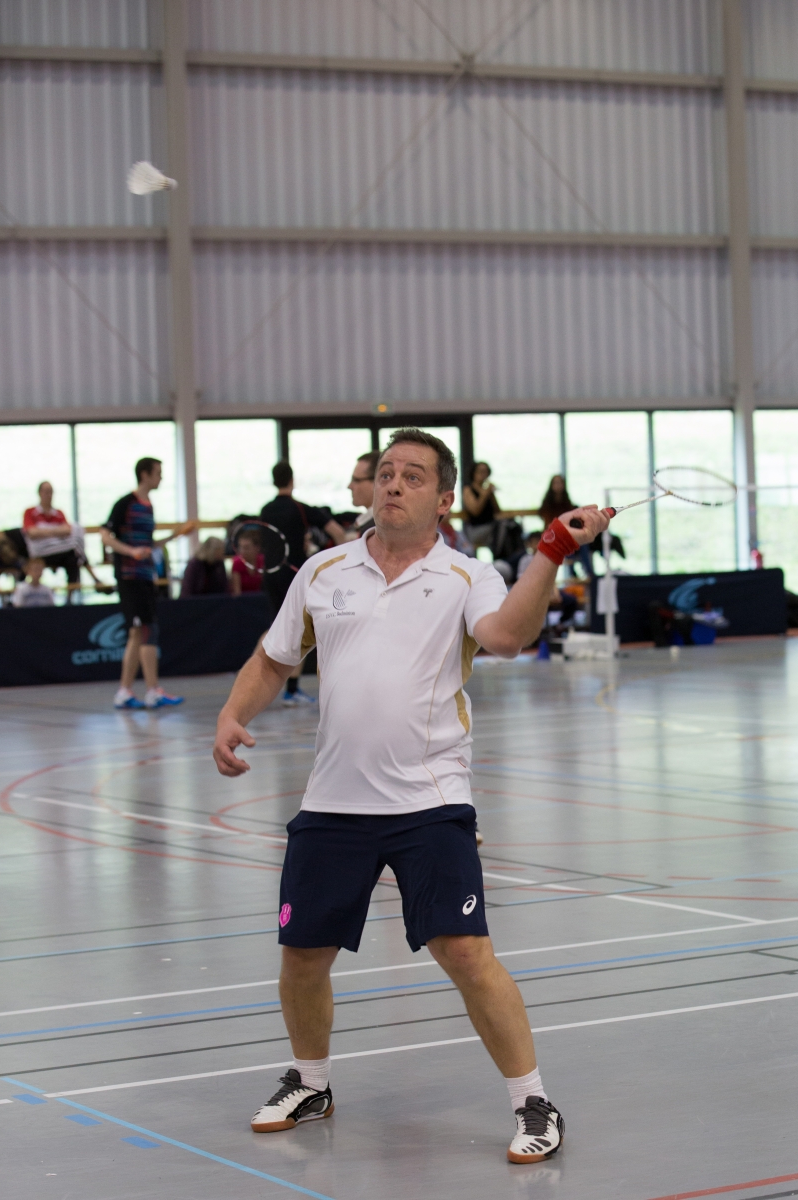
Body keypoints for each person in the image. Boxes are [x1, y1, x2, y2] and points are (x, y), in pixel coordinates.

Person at [213, 427, 610, 1165]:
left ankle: (532, 1100)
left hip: (429, 798)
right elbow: (272, 659)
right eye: (385, 472)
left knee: (465, 952)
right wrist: (235, 713)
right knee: (302, 956)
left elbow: (506, 637)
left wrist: (551, 551)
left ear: (444, 498)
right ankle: (311, 1084)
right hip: (333, 800)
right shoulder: (324, 571)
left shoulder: (466, 575)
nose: (393, 484)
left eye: (413, 475)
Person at [101, 457, 197, 710]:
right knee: (146, 630)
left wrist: (175, 535)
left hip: (145, 576)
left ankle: (125, 691)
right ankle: (153, 690)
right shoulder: (125, 503)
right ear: (145, 475)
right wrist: (130, 552)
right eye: (158, 473)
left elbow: (148, 545)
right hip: (129, 576)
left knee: (137, 632)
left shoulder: (149, 507)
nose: (161, 477)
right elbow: (105, 536)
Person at [260, 461, 346, 706]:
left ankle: (257, 675)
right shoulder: (300, 508)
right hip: (295, 575)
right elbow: (338, 532)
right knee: (299, 630)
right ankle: (292, 690)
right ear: (292, 479)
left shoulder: (265, 510)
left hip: (270, 575)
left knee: (275, 627)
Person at [23, 481, 108, 601]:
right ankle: (95, 579)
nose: (48, 495)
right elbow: (32, 533)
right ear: (39, 493)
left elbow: (67, 530)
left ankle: (69, 598)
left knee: (74, 558)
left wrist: (43, 532)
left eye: (51, 492)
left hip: (58, 550)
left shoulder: (58, 513)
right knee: (76, 543)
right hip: (39, 551)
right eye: (46, 492)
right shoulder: (30, 512)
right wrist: (56, 532)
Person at [538, 475, 592, 578]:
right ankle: (572, 573)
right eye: (556, 483)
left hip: (568, 532)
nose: (558, 486)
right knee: (568, 542)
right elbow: (547, 519)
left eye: (560, 483)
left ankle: (589, 573)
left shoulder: (567, 502)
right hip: (554, 533)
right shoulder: (547, 504)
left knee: (582, 542)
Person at [462, 461, 500, 548]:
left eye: (486, 472)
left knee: (508, 528)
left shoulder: (487, 491)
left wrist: (492, 494)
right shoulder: (468, 490)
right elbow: (475, 511)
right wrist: (485, 494)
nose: (483, 475)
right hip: (476, 529)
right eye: (480, 471)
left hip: (491, 528)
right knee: (502, 528)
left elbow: (497, 511)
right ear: (473, 473)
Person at [344, 450, 380, 538]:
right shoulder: (365, 523)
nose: (349, 486)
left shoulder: (375, 529)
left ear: (377, 482)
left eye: (356, 480)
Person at [230, 530, 265, 595]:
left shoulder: (263, 561)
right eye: (240, 547)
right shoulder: (237, 563)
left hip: (262, 598)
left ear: (257, 548)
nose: (242, 551)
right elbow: (237, 593)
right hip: (243, 599)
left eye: (246, 547)